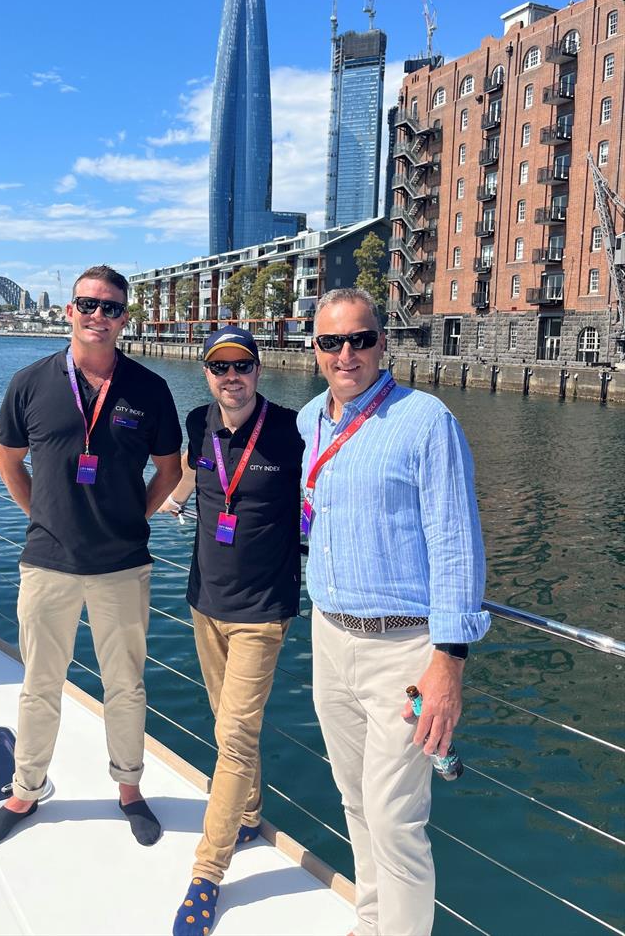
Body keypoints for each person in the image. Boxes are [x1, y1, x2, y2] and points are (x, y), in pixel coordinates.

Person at [298, 288, 489, 936]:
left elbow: (457, 545)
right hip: (330, 636)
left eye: (361, 338)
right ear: (315, 348)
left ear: (384, 342)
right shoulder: (309, 423)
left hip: (404, 651)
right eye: (332, 341)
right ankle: (372, 919)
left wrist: (449, 662)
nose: (346, 353)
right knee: (355, 799)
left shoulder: (426, 420)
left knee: (396, 817)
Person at [0, 265, 182, 850]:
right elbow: (9, 461)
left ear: (124, 318)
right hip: (48, 562)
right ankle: (25, 789)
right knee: (40, 683)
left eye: (112, 308)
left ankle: (129, 787)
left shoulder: (148, 389)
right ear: (69, 310)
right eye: (88, 305)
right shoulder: (30, 382)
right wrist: (41, 515)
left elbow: (170, 471)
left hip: (122, 564)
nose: (99, 316)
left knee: (127, 686)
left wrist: (133, 517)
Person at [159, 327, 304, 936]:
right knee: (226, 724)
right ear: (206, 374)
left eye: (241, 365)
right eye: (219, 366)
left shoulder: (294, 429)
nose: (231, 377)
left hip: (262, 610)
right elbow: (199, 474)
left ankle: (206, 876)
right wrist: (176, 495)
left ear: (259, 371)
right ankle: (248, 814)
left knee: (236, 738)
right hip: (204, 600)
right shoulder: (198, 423)